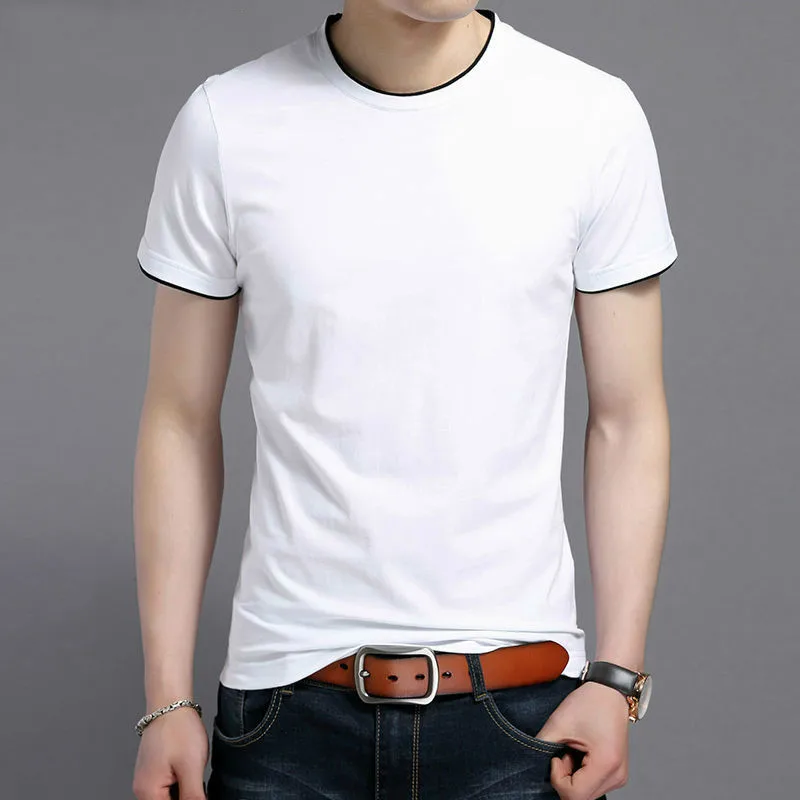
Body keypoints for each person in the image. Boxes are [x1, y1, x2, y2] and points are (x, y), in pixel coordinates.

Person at [131, 1, 676, 798]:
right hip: (287, 717)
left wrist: (617, 677)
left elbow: (628, 420)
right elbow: (178, 421)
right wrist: (166, 699)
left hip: (523, 719)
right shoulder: (227, 123)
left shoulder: (591, 118)